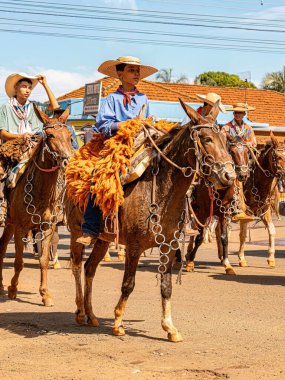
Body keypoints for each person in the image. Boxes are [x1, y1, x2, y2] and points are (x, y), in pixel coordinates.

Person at [76, 56, 158, 246]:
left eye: (137, 71)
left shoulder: (143, 98)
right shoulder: (112, 99)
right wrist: (127, 124)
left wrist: (148, 125)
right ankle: (90, 228)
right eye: (131, 70)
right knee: (100, 176)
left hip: (143, 142)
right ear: (120, 74)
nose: (136, 74)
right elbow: (103, 126)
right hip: (117, 145)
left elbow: (148, 121)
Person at [222, 102, 257, 222]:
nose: (238, 114)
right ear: (233, 113)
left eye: (240, 113)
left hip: (243, 160)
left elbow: (254, 142)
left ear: (244, 114)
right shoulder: (226, 127)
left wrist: (247, 144)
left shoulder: (248, 128)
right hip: (229, 160)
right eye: (236, 112)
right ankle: (234, 206)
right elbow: (221, 141)